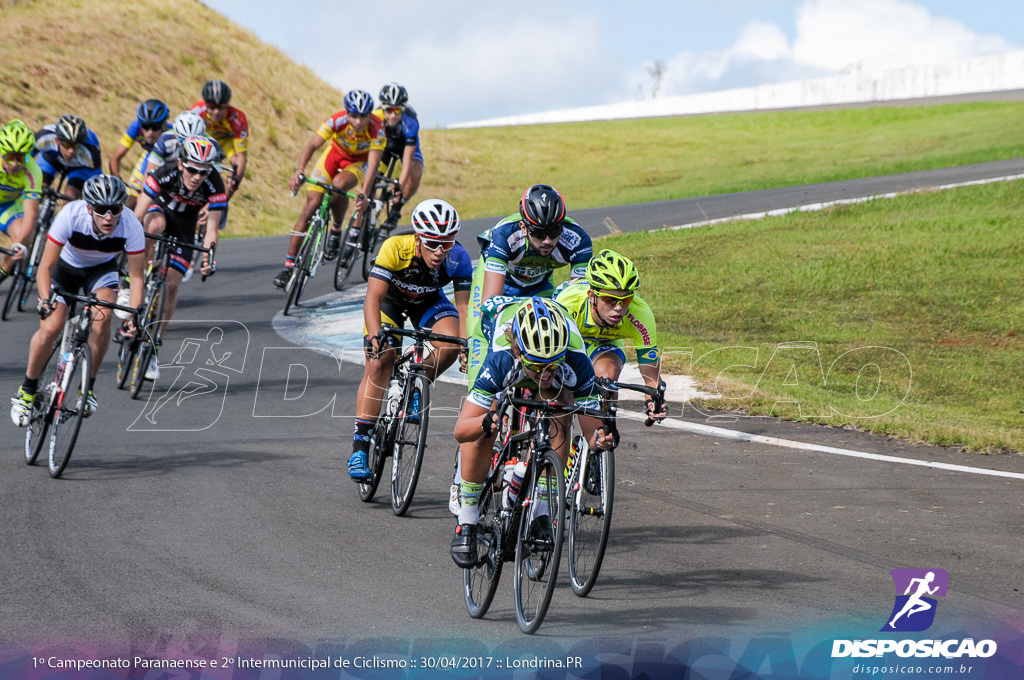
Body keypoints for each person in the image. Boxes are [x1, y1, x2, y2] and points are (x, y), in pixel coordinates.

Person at [448, 296, 615, 568]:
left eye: (552, 366)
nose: (545, 373)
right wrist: (484, 423)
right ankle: (466, 520)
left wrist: (600, 439)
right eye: (538, 367)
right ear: (518, 353)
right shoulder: (502, 358)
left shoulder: (575, 361)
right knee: (485, 428)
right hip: (492, 329)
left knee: (561, 411)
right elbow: (460, 431)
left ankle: (541, 512)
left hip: (547, 350)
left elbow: (589, 427)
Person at [347, 198, 471, 481]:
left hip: (427, 301)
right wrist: (375, 335)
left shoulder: (459, 258)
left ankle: (416, 385)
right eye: (432, 243)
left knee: (450, 343)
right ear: (418, 237)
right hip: (389, 301)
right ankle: (360, 446)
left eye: (447, 243)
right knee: (381, 360)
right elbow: (373, 298)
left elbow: (463, 309)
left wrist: (465, 345)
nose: (440, 252)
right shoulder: (395, 247)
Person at [10, 175, 145, 426]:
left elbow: (137, 278)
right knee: (51, 327)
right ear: (89, 208)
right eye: (101, 210)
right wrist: (44, 300)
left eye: (114, 210)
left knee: (102, 317)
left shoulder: (130, 224)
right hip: (65, 269)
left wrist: (134, 314)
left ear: (121, 208)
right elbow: (45, 267)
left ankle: (87, 389)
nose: (108, 217)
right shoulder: (71, 215)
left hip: (102, 271)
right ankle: (27, 390)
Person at [274, 89, 386, 289]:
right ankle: (288, 266)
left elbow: (374, 162)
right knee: (311, 206)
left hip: (359, 163)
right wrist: (299, 170)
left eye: (363, 116)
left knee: (339, 185)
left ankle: (336, 229)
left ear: (370, 115)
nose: (358, 121)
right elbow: (311, 146)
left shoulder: (378, 129)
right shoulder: (336, 121)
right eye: (353, 116)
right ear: (347, 113)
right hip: (333, 157)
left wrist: (364, 191)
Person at [133, 136, 223, 381]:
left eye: (203, 172)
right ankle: (134, 280)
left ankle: (153, 349)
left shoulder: (214, 183)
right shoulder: (166, 172)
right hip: (159, 210)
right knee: (154, 226)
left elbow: (212, 230)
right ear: (182, 163)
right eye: (192, 169)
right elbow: (138, 213)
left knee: (171, 288)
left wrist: (209, 258)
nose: (197, 177)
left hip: (185, 225)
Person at [554, 249, 669, 421]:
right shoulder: (567, 305)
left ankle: (601, 435)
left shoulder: (641, 314)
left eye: (626, 300)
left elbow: (651, 379)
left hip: (604, 344)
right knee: (558, 392)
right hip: (569, 338)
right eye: (610, 300)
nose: (619, 308)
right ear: (592, 296)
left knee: (607, 381)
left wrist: (653, 401)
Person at [190, 80, 248, 227]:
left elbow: (241, 157)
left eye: (221, 107)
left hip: (225, 144)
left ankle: (219, 206)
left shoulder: (238, 118)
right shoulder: (197, 111)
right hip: (202, 138)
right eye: (212, 107)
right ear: (206, 104)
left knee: (235, 169)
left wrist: (234, 182)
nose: (216, 112)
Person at [372, 82, 424, 228]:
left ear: (403, 109)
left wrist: (399, 188)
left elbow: (407, 162)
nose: (393, 115)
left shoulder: (411, 121)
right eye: (388, 110)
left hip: (404, 145)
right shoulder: (374, 117)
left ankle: (396, 209)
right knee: (371, 175)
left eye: (397, 111)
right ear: (382, 108)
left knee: (415, 172)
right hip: (384, 145)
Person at [108, 99, 170, 209]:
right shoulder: (135, 127)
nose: (150, 132)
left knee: (151, 200)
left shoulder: (171, 134)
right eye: (146, 127)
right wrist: (118, 183)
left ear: (164, 125)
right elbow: (115, 159)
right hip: (149, 157)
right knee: (129, 202)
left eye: (155, 127)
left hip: (167, 163)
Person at [0, 120, 42, 281]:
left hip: (8, 206)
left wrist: (20, 245)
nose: (15, 164)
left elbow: (31, 214)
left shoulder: (33, 172)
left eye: (21, 157)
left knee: (22, 238)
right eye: (10, 156)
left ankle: (3, 271)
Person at [33, 114, 102, 199]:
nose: (71, 151)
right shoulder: (44, 137)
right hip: (52, 157)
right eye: (67, 145)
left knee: (70, 196)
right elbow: (26, 157)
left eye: (75, 146)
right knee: (38, 190)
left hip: (79, 167)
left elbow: (97, 180)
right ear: (57, 140)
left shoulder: (90, 150)